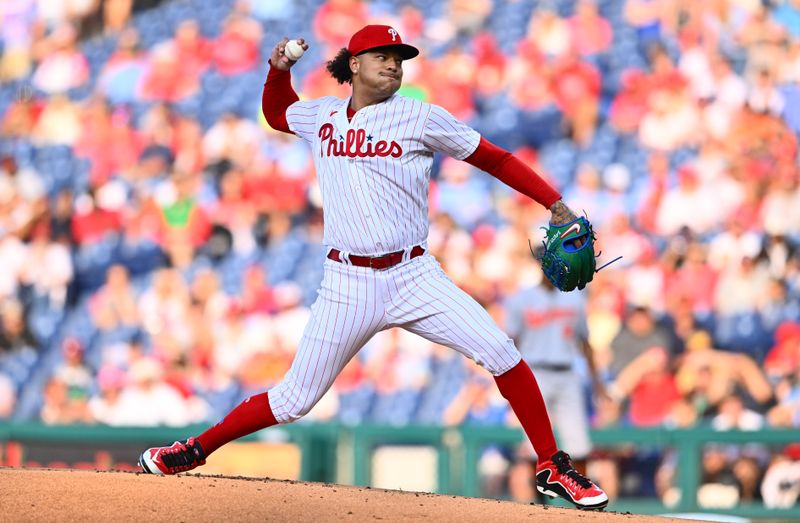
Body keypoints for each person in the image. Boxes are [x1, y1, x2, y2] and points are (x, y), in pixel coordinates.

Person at [138, 25, 608, 510]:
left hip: (414, 275)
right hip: (348, 281)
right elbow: (278, 113)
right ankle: (195, 450)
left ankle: (552, 464)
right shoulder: (321, 115)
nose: (393, 65)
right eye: (382, 56)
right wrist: (277, 71)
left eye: (399, 59)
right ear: (355, 64)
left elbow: (495, 159)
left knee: (502, 352)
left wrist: (553, 202)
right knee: (293, 401)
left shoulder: (420, 117)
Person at [503, 270, 607, 502]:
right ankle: (537, 509)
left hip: (567, 371)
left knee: (579, 443)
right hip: (534, 372)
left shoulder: (574, 297)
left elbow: (585, 342)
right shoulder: (521, 299)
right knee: (534, 445)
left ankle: (584, 503)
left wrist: (598, 383)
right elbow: (509, 343)